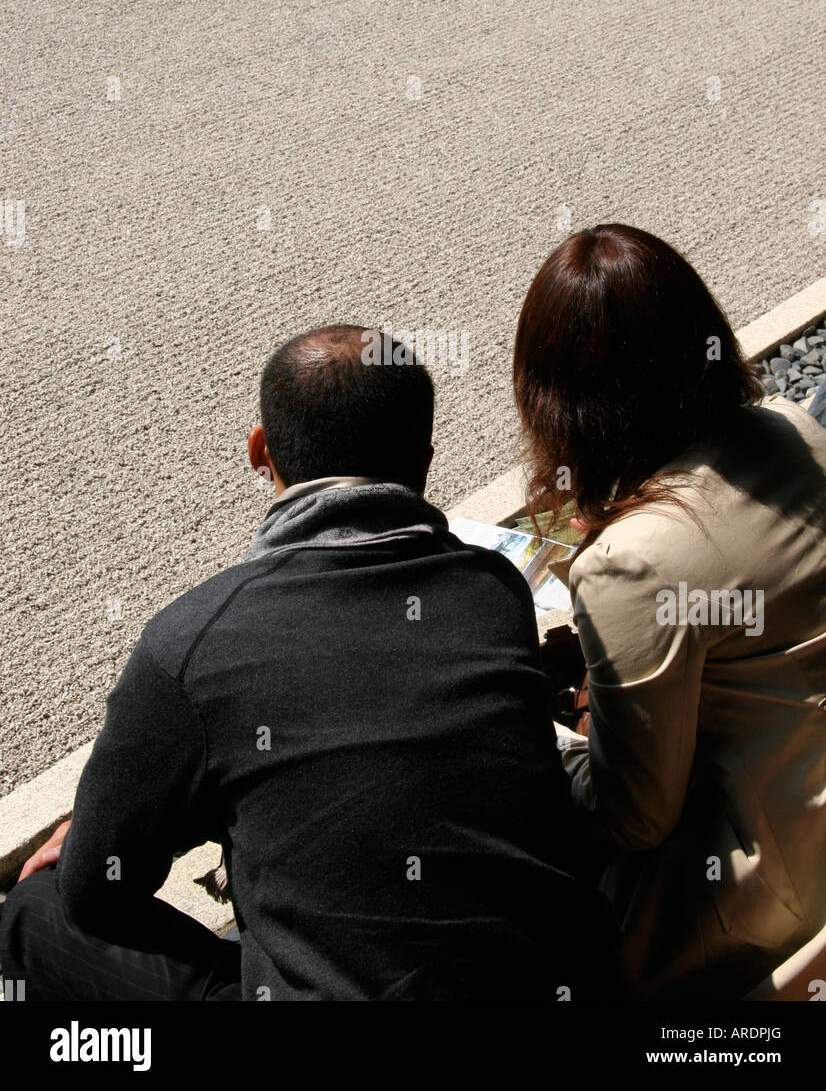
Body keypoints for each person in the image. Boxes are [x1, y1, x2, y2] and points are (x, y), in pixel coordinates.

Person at [1, 324, 615, 1002]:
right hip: (553, 983)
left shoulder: (191, 642)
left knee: (37, 912)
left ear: (259, 451)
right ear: (425, 458)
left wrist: (111, 826)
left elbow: (97, 890)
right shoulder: (491, 593)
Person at [513, 225, 826, 1000]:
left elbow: (633, 818)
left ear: (555, 399)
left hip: (753, 893)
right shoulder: (791, 429)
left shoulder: (634, 560)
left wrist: (532, 744)